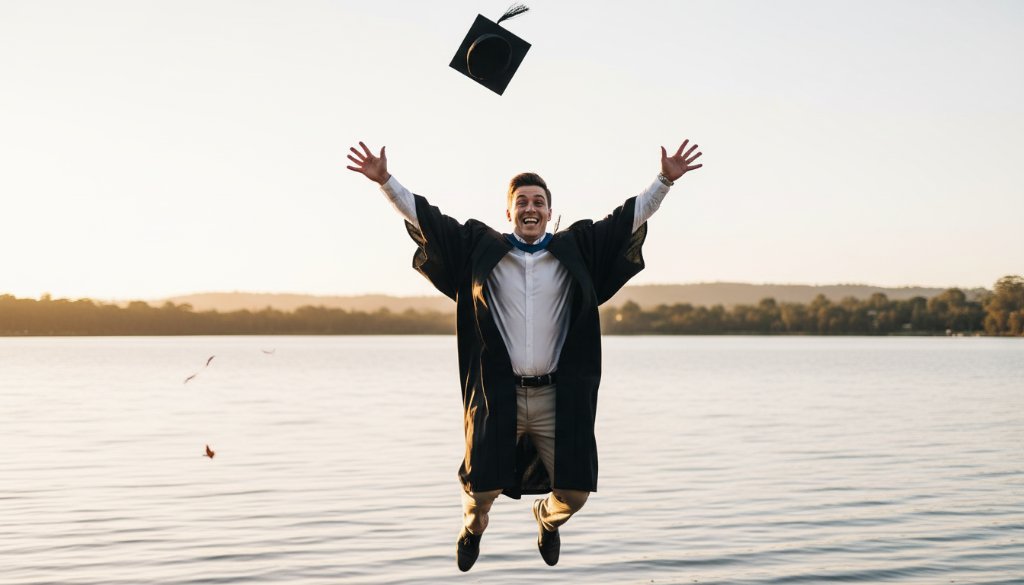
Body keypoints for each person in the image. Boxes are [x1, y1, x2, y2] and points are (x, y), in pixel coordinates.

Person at [345, 140, 702, 571]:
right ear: (508, 213)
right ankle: (472, 530)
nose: (530, 208)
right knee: (479, 492)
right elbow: (429, 220)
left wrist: (664, 180)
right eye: (521, 202)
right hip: (499, 394)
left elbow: (628, 218)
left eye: (538, 202)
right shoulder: (481, 247)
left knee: (575, 493)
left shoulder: (576, 248)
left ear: (550, 212)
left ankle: (546, 522)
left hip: (557, 395)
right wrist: (385, 181)